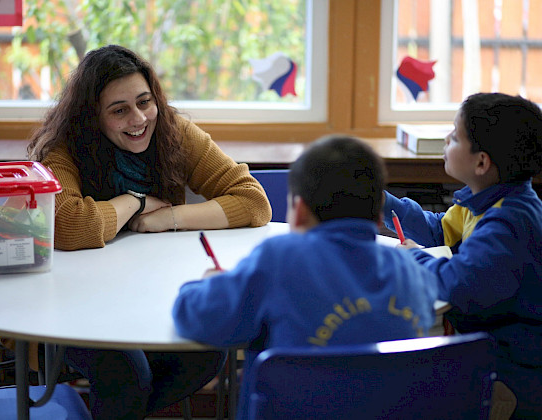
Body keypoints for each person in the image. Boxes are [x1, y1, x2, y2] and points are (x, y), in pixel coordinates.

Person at [22, 44, 272, 419]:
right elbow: (70, 225)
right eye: (119, 111)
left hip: (149, 294)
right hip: (73, 305)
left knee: (206, 354)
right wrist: (136, 203)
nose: (139, 118)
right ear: (93, 117)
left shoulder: (174, 132)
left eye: (145, 102)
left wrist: (168, 218)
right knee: (125, 374)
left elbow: (253, 202)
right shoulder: (64, 148)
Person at [172, 134, 439, 419]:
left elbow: (198, 318)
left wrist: (205, 284)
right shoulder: (412, 271)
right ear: (377, 218)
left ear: (297, 213)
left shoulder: (279, 258)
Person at [382, 93, 542, 419]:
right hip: (488, 344)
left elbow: (457, 286)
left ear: (482, 162)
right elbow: (441, 231)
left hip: (511, 366)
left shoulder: (509, 221)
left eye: (454, 136)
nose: (445, 139)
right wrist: (384, 203)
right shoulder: (486, 200)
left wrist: (414, 258)